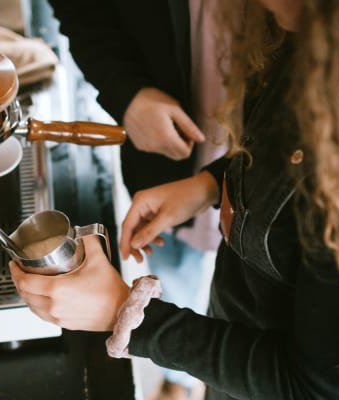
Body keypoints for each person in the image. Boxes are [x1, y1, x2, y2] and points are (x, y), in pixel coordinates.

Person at [11, 1, 339, 399]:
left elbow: (316, 387)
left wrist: (124, 311)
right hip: (243, 353)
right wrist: (211, 184)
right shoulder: (319, 44)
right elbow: (285, 155)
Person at [46, 1, 232, 398]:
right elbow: (81, 12)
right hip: (174, 167)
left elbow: (297, 374)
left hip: (259, 177)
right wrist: (126, 93)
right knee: (177, 270)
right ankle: (180, 379)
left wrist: (125, 314)